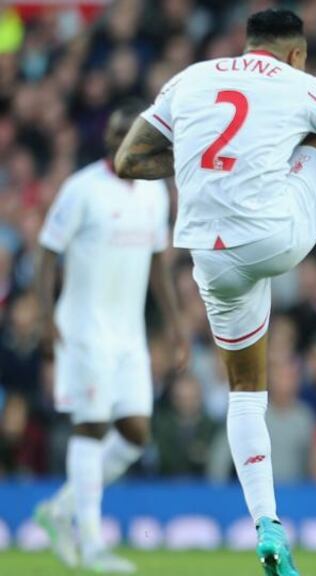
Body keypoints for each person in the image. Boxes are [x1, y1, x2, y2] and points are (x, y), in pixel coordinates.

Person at [113, 9, 316, 575]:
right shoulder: (303, 85)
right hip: (273, 237)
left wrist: (206, 161)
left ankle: (268, 525)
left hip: (208, 257)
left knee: (246, 393)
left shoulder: (190, 79)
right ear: (297, 54)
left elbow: (128, 160)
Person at [32, 100, 188, 574]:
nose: (131, 147)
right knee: (92, 424)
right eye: (122, 138)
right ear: (109, 143)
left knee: (136, 433)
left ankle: (59, 510)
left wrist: (175, 324)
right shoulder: (82, 190)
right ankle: (93, 543)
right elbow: (46, 253)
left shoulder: (155, 193)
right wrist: (45, 317)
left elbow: (159, 262)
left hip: (128, 332)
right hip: (83, 328)